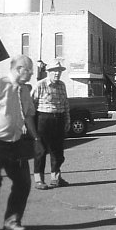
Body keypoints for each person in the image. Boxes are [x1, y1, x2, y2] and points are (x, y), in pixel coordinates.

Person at [0, 55, 43, 230]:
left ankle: (12, 220)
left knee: (23, 182)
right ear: (20, 69)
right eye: (29, 71)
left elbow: (28, 116)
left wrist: (36, 139)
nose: (31, 74)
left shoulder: (25, 91)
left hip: (16, 143)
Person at [31, 60, 70, 189]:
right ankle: (39, 180)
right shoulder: (40, 85)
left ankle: (56, 178)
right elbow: (31, 104)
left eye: (59, 72)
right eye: (54, 71)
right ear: (49, 72)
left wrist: (67, 121)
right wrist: (27, 123)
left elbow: (65, 105)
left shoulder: (62, 86)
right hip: (43, 119)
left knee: (57, 151)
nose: (57, 74)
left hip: (58, 119)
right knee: (41, 151)